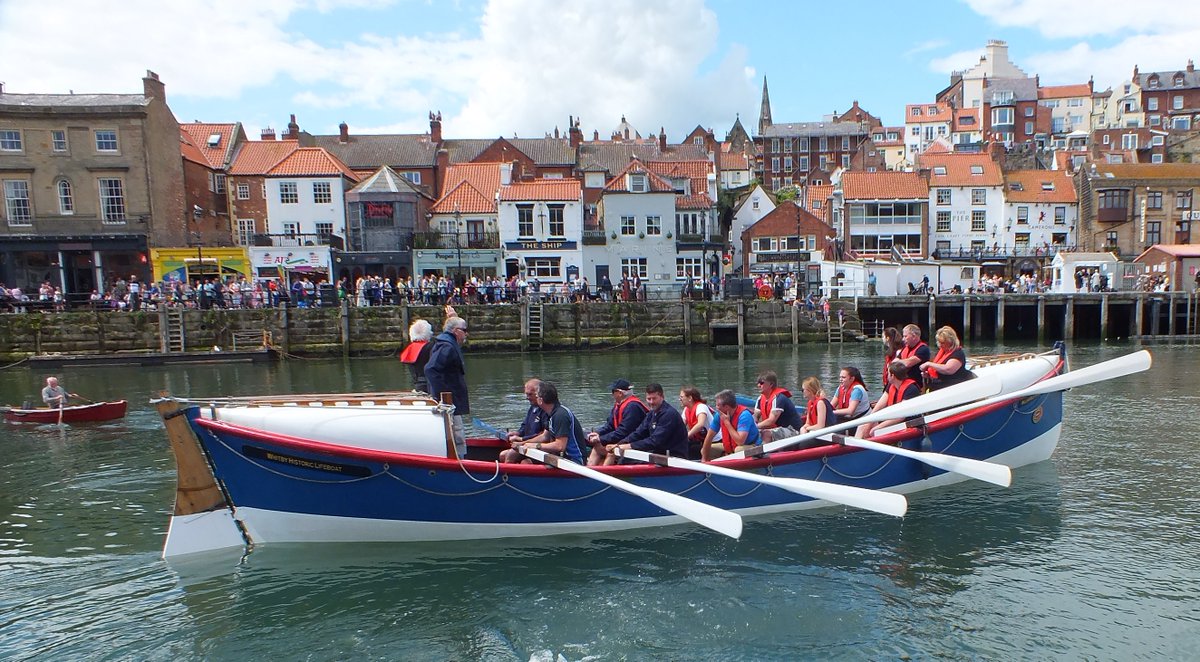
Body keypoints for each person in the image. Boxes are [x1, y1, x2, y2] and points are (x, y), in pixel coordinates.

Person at [501, 381, 585, 464]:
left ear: (541, 400)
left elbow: (560, 446)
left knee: (525, 462)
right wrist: (523, 443)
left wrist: (536, 446)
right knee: (510, 455)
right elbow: (544, 437)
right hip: (560, 457)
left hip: (573, 461)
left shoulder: (560, 415)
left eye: (536, 396)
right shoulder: (551, 413)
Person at [604, 383, 689, 465]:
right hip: (658, 452)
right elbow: (638, 433)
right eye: (649, 399)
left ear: (662, 397)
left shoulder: (668, 414)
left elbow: (655, 441)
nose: (651, 402)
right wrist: (619, 444)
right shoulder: (652, 413)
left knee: (624, 460)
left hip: (673, 456)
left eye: (654, 398)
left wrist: (629, 446)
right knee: (620, 457)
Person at [424, 309, 470, 458]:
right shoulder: (447, 346)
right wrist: (445, 397)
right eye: (464, 330)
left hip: (452, 400)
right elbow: (431, 369)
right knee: (457, 432)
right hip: (451, 402)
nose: (466, 334)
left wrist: (453, 317)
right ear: (457, 332)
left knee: (456, 431)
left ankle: (459, 458)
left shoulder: (447, 341)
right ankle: (460, 461)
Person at [585, 378, 648, 466]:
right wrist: (597, 433)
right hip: (622, 440)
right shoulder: (618, 405)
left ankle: (602, 475)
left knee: (607, 450)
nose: (612, 395)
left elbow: (623, 432)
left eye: (613, 392)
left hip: (634, 443)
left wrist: (600, 439)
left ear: (620, 393)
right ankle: (590, 471)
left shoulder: (633, 407)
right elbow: (610, 426)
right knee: (597, 447)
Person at [856, 361, 922, 439]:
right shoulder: (891, 385)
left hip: (907, 423)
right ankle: (854, 449)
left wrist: (877, 427)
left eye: (888, 373)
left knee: (874, 431)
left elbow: (901, 416)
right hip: (893, 419)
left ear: (892, 375)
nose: (886, 375)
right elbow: (879, 406)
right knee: (862, 426)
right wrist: (869, 421)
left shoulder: (911, 389)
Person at [701, 390, 761, 462]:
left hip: (752, 446)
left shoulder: (744, 415)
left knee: (739, 450)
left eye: (718, 405)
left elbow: (740, 442)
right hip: (731, 447)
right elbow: (709, 437)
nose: (716, 408)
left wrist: (727, 423)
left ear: (726, 407)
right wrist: (704, 459)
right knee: (705, 450)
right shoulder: (719, 415)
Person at [753, 371, 802, 442]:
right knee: (753, 433)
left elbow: (771, 421)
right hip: (776, 429)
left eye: (761, 383)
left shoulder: (779, 398)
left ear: (771, 384)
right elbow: (756, 415)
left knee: (766, 434)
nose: (758, 385)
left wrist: (754, 427)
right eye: (758, 383)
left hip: (793, 430)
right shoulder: (760, 399)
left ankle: (765, 452)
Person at [921, 326, 975, 391]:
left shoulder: (958, 354)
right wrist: (928, 375)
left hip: (952, 387)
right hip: (937, 386)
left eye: (943, 343)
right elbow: (938, 370)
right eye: (939, 342)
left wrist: (929, 364)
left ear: (950, 341)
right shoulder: (942, 353)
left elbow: (948, 369)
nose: (940, 345)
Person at [506, 378, 547, 446]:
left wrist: (521, 439)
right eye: (526, 394)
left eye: (530, 394)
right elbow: (525, 425)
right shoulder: (532, 407)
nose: (527, 397)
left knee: (507, 454)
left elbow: (543, 435)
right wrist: (517, 433)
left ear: (539, 394)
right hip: (526, 442)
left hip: (537, 444)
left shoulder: (546, 410)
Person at [399, 319, 434, 392]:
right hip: (432, 385)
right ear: (429, 334)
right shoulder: (432, 347)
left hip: (418, 385)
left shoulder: (410, 348)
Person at [679, 386, 712, 460]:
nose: (679, 399)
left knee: (691, 448)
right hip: (699, 440)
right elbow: (680, 426)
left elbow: (700, 424)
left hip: (712, 441)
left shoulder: (701, 407)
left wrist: (686, 436)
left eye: (681, 397)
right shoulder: (686, 409)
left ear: (690, 398)